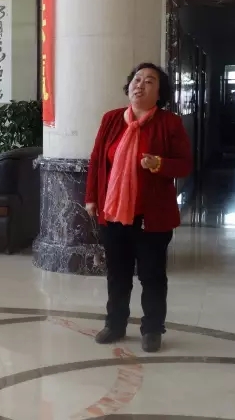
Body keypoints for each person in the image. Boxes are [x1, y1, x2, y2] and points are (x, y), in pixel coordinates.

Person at [85, 62, 192, 353]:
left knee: (152, 276)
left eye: (149, 81)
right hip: (113, 212)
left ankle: (152, 329)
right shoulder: (111, 119)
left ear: (159, 92)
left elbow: (184, 165)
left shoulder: (169, 123)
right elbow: (96, 161)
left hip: (151, 216)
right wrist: (91, 197)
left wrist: (159, 164)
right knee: (117, 274)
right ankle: (115, 324)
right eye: (137, 79)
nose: (140, 85)